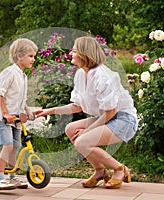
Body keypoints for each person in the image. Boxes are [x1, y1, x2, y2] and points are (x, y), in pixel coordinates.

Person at [34, 36, 138, 189]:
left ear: (84, 54)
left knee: (82, 141)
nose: (71, 53)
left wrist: (87, 131)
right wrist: (48, 111)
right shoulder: (81, 74)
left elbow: (111, 111)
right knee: (71, 129)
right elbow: (77, 106)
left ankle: (119, 169)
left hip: (123, 120)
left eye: (74, 50)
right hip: (106, 117)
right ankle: (100, 171)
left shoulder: (102, 76)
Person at [0, 38, 38, 190]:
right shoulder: (9, 72)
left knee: (15, 146)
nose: (33, 59)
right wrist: (5, 113)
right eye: (30, 56)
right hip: (4, 118)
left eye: (34, 56)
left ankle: (12, 176)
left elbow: (20, 98)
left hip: (15, 118)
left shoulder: (23, 76)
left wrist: (28, 110)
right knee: (8, 146)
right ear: (19, 56)